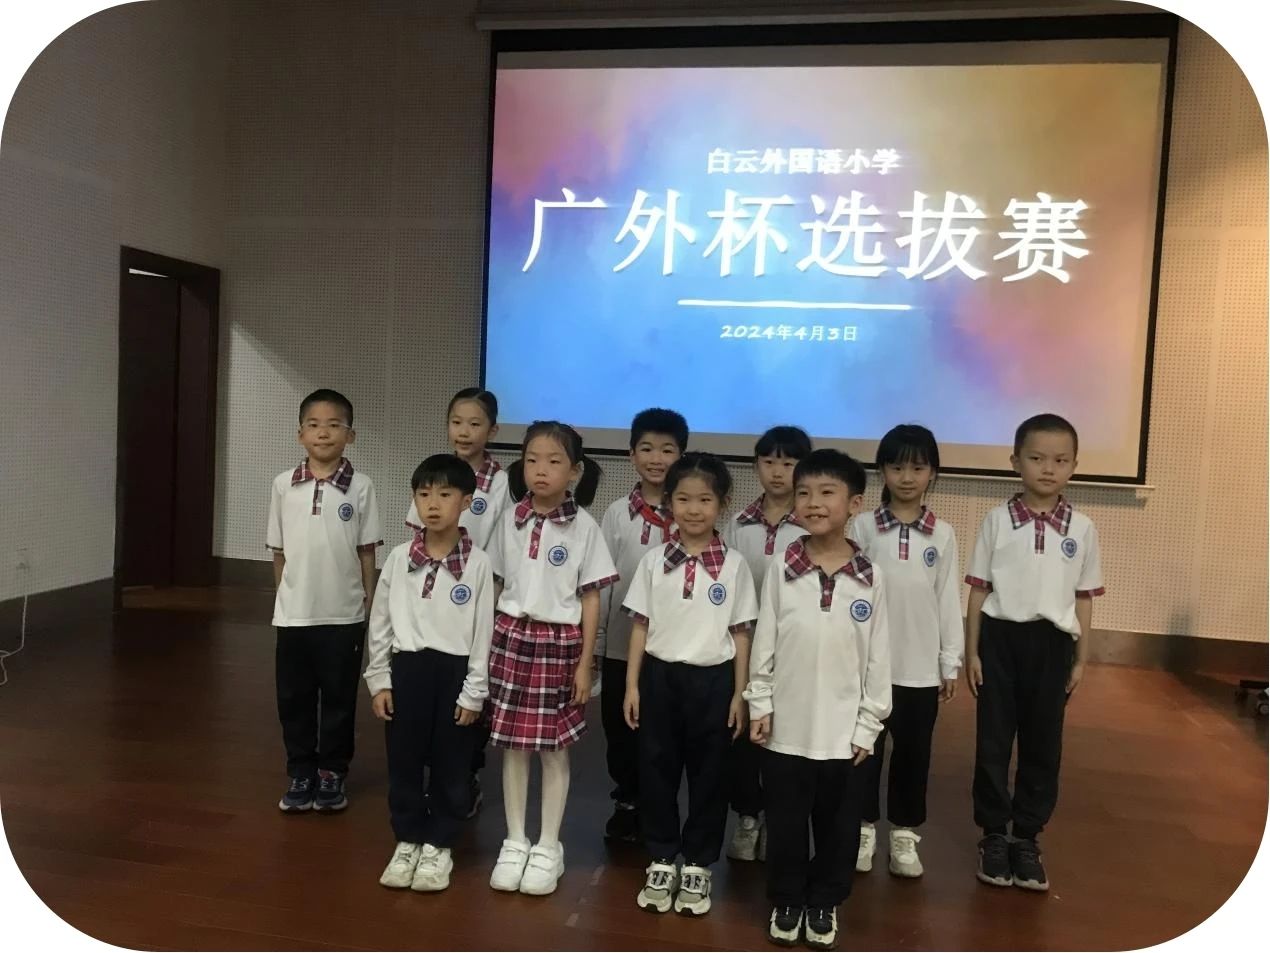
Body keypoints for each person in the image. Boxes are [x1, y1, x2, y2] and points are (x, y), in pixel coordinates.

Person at [746, 449, 890, 949]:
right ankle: (787, 897)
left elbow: (878, 658)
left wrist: (869, 723)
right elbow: (765, 639)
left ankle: (825, 899)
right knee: (785, 823)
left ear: (855, 504)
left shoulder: (870, 577)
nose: (813, 502)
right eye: (804, 493)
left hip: (843, 735)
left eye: (827, 492)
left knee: (838, 826)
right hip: (787, 729)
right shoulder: (783, 568)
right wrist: (759, 701)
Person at [965, 413, 1104, 893]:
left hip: (1053, 645)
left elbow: (1083, 598)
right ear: (1015, 461)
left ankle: (1026, 836)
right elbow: (979, 591)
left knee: (1044, 743)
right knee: (993, 740)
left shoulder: (1082, 528)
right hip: (1000, 641)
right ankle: (993, 833)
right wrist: (972, 652)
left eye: (1060, 460)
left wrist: (1081, 658)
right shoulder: (997, 521)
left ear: (1074, 466)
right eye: (1037, 458)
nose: (1048, 468)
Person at [485, 422, 618, 896]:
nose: (541, 470)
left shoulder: (584, 527)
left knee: (553, 748)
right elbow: (496, 583)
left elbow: (591, 598)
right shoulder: (509, 520)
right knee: (513, 746)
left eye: (554, 461)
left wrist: (586, 661)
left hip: (559, 644)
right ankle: (515, 839)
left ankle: (547, 845)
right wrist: (484, 647)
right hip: (510, 637)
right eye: (532, 460)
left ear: (575, 471)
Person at [622, 453, 756, 916]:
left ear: (722, 504)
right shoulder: (654, 561)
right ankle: (662, 855)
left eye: (704, 500)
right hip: (660, 677)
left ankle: (698, 862)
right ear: (669, 503)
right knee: (656, 769)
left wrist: (740, 694)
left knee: (710, 774)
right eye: (683, 499)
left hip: (714, 681)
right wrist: (632, 685)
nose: (693, 509)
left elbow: (741, 633)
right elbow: (640, 625)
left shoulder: (735, 566)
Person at [365, 455, 495, 891]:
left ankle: (439, 843)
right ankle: (407, 839)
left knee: (451, 762)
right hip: (408, 669)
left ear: (467, 502)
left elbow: (483, 631)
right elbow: (380, 623)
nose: (433, 504)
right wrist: (379, 680)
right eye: (424, 495)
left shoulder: (478, 564)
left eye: (444, 494)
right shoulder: (399, 558)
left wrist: (474, 691)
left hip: (455, 673)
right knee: (403, 760)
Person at [849, 424, 962, 879]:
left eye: (918, 468)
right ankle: (862, 828)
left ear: (933, 472)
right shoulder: (863, 526)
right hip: (868, 667)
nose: (907, 477)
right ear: (882, 471)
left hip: (919, 669)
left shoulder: (943, 534)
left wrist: (949, 660)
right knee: (864, 751)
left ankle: (904, 833)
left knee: (914, 754)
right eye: (897, 467)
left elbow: (947, 599)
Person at [267, 388, 382, 814]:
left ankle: (332, 772)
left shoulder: (361, 487)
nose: (323, 433)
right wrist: (285, 600)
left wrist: (367, 604)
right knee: (293, 699)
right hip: (294, 615)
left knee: (339, 699)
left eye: (334, 425)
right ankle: (301, 770)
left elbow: (366, 552)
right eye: (314, 425)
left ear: (350, 435)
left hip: (344, 615)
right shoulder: (284, 485)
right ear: (300, 434)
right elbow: (278, 552)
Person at [405, 388, 510, 818]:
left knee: (471, 685)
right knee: (432, 689)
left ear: (493, 430)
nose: (464, 432)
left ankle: (466, 772)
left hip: (478, 591)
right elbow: (416, 537)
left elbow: (502, 544)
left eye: (475, 424)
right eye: (456, 422)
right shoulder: (436, 473)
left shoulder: (500, 482)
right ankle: (433, 773)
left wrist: (492, 597)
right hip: (434, 597)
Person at [597, 408, 689, 843]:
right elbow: (601, 581)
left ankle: (660, 806)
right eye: (647, 449)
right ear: (631, 455)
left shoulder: (692, 511)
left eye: (667, 450)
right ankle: (627, 801)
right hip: (620, 644)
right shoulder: (618, 514)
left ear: (682, 455)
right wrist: (597, 643)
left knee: (664, 733)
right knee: (621, 729)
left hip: (672, 648)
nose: (657, 458)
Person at [723, 425, 813, 862]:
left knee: (785, 735)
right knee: (742, 736)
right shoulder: (738, 524)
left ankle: (782, 819)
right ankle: (747, 816)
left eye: (789, 462)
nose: (778, 471)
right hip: (743, 647)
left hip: (793, 651)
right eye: (769, 461)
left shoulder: (811, 525)